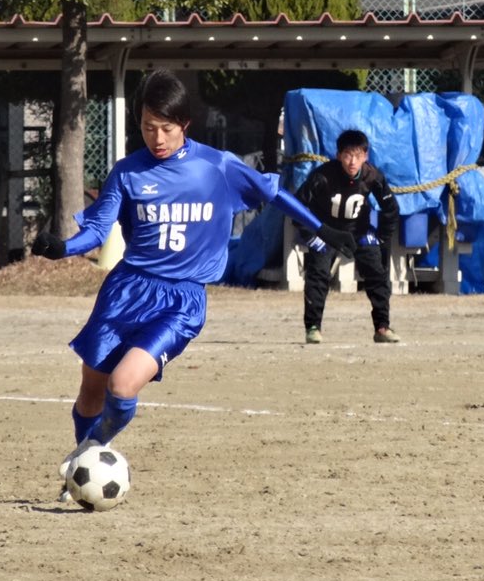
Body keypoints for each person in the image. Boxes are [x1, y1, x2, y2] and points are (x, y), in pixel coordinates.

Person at [31, 69, 356, 500]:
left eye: (166, 128)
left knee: (122, 385)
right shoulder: (127, 172)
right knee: (91, 389)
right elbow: (99, 230)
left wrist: (324, 230)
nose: (157, 138)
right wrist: (64, 247)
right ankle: (83, 455)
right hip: (125, 290)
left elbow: (274, 191)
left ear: (184, 123)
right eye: (148, 128)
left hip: (181, 300)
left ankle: (90, 451)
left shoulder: (216, 166)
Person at [294, 129, 401, 345]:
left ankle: (382, 327)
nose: (352, 161)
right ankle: (313, 327)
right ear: (339, 155)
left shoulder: (373, 177)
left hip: (358, 232)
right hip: (327, 232)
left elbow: (390, 209)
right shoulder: (322, 176)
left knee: (377, 275)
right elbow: (298, 207)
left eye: (358, 155)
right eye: (347, 155)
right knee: (318, 274)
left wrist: (381, 237)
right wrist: (311, 236)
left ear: (365, 156)